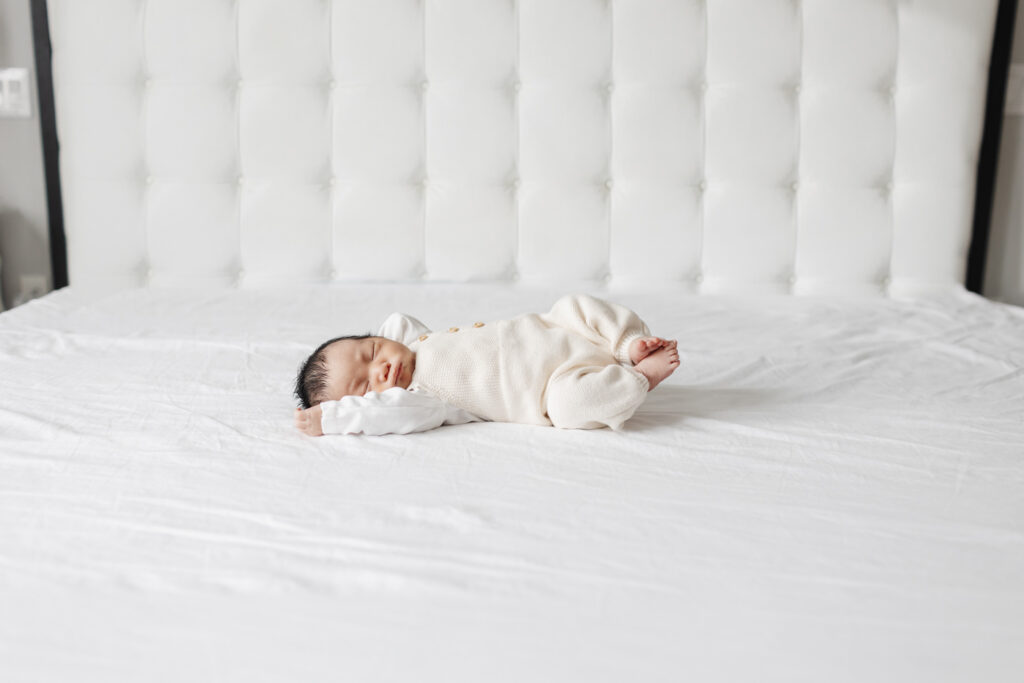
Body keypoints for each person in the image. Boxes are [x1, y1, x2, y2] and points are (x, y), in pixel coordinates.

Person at [293, 294, 679, 436]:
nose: (380, 370)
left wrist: (382, 346)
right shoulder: (421, 400)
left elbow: (396, 323)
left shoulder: (412, 342)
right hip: (553, 384)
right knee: (570, 409)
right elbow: (383, 414)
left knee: (574, 305)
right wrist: (331, 418)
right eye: (364, 386)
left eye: (371, 352)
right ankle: (638, 377)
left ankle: (628, 345)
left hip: (556, 330)